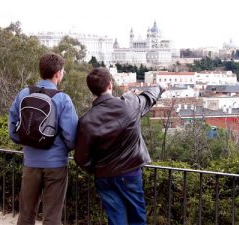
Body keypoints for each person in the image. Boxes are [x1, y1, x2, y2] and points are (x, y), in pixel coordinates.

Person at [74, 67, 164, 225]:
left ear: (91, 90)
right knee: (137, 217)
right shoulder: (129, 104)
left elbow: (81, 157)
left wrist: (96, 168)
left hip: (104, 176)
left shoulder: (86, 121)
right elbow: (148, 97)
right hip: (130, 173)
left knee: (116, 219)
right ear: (110, 85)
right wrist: (160, 87)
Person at [8, 52, 78, 225]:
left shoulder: (24, 93)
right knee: (52, 218)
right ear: (57, 73)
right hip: (56, 165)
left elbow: (12, 126)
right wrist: (64, 150)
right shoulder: (63, 99)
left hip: (30, 162)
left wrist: (25, 142)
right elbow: (71, 135)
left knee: (25, 215)